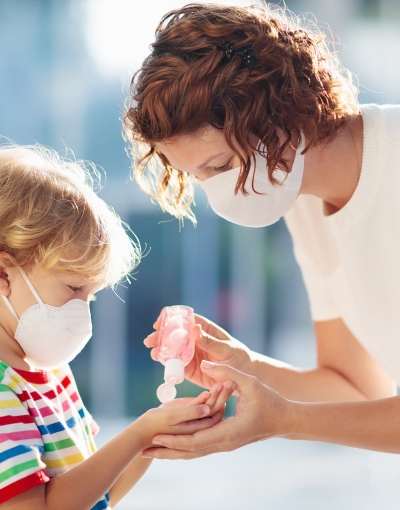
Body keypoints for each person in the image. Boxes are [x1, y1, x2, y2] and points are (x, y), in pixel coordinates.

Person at [122, 2, 400, 459]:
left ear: (284, 112)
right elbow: (359, 390)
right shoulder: (304, 203)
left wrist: (286, 420)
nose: (217, 194)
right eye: (198, 178)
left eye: (220, 166)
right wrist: (245, 367)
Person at [0, 144, 234, 509]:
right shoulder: (3, 391)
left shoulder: (53, 373)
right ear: (3, 273)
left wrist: (156, 434)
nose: (82, 312)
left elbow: (99, 495)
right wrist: (139, 434)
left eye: (90, 296)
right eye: (73, 288)